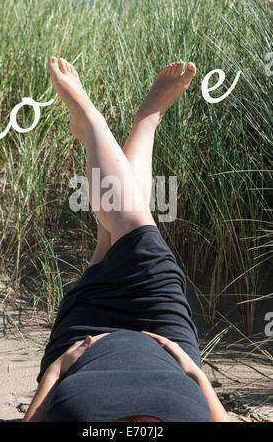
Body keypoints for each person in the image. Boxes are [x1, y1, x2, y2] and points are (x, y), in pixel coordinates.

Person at [23, 57, 230, 423]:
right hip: (166, 340)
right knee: (121, 233)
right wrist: (195, 374)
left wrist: (57, 370)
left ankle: (94, 121)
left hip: (81, 344)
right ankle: (133, 122)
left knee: (127, 228)